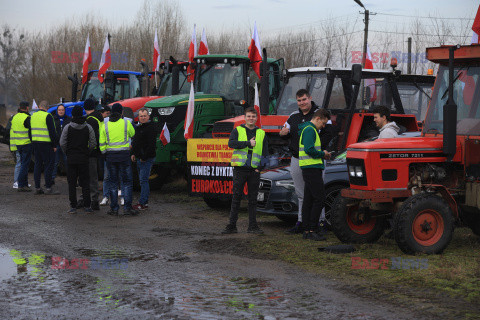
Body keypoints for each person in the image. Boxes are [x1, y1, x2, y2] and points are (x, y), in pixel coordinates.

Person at [222, 107, 268, 234]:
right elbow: (231, 144)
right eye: (248, 116)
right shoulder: (237, 130)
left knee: (253, 200)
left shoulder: (261, 133)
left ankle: (252, 227)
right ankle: (231, 226)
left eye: (253, 116)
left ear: (256, 118)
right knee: (236, 197)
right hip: (240, 170)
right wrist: (247, 143)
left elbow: (265, 153)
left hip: (254, 171)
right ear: (245, 117)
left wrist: (260, 168)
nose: (251, 119)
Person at [279, 89, 319, 234]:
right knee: (301, 193)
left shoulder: (319, 114)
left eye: (304, 99)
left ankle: (319, 223)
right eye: (299, 100)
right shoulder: (293, 116)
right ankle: (302, 222)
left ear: (310, 98)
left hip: (314, 159)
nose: (302, 103)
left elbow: (328, 134)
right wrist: (282, 133)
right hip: (297, 159)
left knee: (316, 193)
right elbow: (284, 132)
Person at [298, 109, 331, 241]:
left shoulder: (309, 129)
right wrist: (323, 154)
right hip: (311, 168)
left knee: (309, 200)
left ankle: (307, 230)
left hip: (309, 168)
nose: (323, 127)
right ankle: (312, 229)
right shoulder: (310, 130)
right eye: (323, 123)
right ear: (318, 118)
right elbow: (309, 149)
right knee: (319, 199)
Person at [99, 103, 137, 216]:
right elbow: (133, 133)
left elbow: (101, 143)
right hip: (124, 156)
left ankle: (114, 209)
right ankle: (127, 208)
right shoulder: (126, 122)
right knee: (127, 182)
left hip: (111, 157)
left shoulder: (105, 125)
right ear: (122, 113)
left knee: (113, 183)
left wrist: (105, 154)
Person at [60, 106, 96, 214]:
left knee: (72, 183)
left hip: (71, 159)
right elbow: (93, 143)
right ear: (82, 114)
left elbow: (62, 143)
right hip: (84, 159)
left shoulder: (67, 127)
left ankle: (73, 206)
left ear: (73, 115)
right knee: (85, 183)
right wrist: (87, 152)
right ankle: (87, 206)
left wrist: (67, 152)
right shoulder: (88, 127)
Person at [26, 100, 59, 195]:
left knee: (37, 165)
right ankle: (48, 188)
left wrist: (32, 142)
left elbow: (29, 132)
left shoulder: (32, 116)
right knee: (48, 166)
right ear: (47, 108)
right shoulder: (48, 116)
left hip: (36, 144)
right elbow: (52, 132)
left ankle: (37, 188)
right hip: (46, 144)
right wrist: (54, 145)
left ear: (39, 107)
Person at [78, 98, 104, 210]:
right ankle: (92, 200)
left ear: (85, 108)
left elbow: (90, 138)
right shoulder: (99, 117)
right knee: (93, 177)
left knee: (88, 177)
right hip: (98, 150)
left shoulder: (90, 120)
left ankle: (92, 200)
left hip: (90, 152)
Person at [131, 108, 156, 211]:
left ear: (148, 117)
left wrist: (144, 157)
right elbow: (136, 142)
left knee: (143, 181)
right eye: (141, 116)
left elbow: (151, 145)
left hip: (146, 158)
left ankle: (143, 203)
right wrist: (133, 153)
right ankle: (142, 202)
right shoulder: (138, 127)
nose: (143, 118)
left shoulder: (150, 128)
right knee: (142, 181)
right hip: (138, 158)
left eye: (145, 116)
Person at [9, 101, 32, 192]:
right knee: (24, 165)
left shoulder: (14, 117)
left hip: (18, 144)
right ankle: (21, 185)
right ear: (26, 108)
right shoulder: (27, 117)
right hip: (26, 143)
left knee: (23, 164)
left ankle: (24, 184)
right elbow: (30, 131)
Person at [52, 104, 71, 184]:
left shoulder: (69, 119)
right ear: (57, 111)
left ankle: (70, 179)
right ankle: (52, 179)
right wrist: (53, 145)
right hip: (56, 145)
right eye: (59, 110)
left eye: (62, 110)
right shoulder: (53, 119)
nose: (61, 111)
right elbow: (52, 132)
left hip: (66, 145)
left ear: (64, 110)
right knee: (55, 162)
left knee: (68, 162)